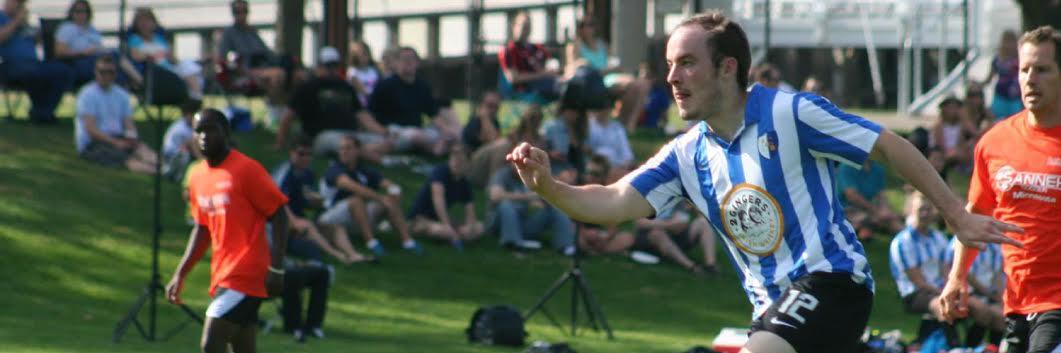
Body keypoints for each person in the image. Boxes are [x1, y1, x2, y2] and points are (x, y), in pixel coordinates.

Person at [506, 10, 1020, 353]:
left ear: (727, 68)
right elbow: (615, 201)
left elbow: (889, 144)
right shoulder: (687, 154)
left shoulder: (792, 113)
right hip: (773, 309)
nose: (672, 78)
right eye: (668, 65)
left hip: (833, 281)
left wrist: (956, 215)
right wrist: (550, 188)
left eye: (686, 63)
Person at [941, 26, 1061, 353]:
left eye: (1042, 69)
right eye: (1024, 70)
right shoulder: (995, 142)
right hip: (1017, 304)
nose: (1030, 79)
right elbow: (976, 216)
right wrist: (957, 277)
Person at [165, 108, 291, 353]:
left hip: (248, 272)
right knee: (243, 347)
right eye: (198, 131)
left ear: (226, 132)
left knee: (211, 343)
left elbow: (280, 216)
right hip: (223, 273)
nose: (203, 136)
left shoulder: (246, 169)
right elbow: (202, 229)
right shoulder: (197, 176)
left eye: (210, 129)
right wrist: (180, 274)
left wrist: (276, 268)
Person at [890, 192, 1004, 332]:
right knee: (950, 307)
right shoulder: (903, 241)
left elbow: (947, 270)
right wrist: (947, 294)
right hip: (917, 293)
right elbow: (919, 282)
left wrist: (953, 291)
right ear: (910, 210)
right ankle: (949, 344)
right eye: (921, 210)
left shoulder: (939, 238)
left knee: (985, 311)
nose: (925, 214)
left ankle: (975, 346)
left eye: (929, 209)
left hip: (940, 289)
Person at [275, 46, 390, 160]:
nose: (332, 70)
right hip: (321, 136)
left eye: (334, 65)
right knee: (344, 144)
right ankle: (377, 156)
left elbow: (362, 115)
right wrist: (280, 143)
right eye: (327, 66)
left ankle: (363, 152)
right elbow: (288, 116)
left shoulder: (347, 87)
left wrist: (382, 131)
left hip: (350, 134)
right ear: (319, 67)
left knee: (385, 141)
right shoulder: (307, 87)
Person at [273, 136, 372, 265]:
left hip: (299, 219)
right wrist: (294, 221)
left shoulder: (309, 174)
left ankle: (353, 255)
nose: (305, 158)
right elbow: (276, 201)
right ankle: (338, 256)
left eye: (309, 154)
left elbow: (307, 202)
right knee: (307, 225)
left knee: (336, 228)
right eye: (301, 154)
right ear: (291, 153)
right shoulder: (284, 172)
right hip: (278, 221)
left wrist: (316, 202)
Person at [318, 136, 421, 257]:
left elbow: (389, 185)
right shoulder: (334, 169)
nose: (343, 152)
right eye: (341, 149)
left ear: (357, 151)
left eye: (348, 148)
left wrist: (395, 191)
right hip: (332, 217)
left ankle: (408, 242)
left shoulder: (364, 170)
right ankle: (371, 242)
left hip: (357, 217)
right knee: (357, 200)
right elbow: (353, 187)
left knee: (389, 201)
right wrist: (381, 198)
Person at [368, 46, 460, 155]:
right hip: (395, 131)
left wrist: (446, 130)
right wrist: (382, 131)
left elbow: (432, 113)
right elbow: (370, 113)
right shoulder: (385, 86)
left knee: (447, 115)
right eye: (404, 60)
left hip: (419, 129)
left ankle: (449, 142)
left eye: (411, 59)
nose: (408, 63)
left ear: (417, 63)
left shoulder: (422, 86)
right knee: (415, 135)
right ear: (397, 63)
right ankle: (438, 149)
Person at [565, 17, 651, 132]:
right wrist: (600, 69)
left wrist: (611, 69)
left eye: (591, 25)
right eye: (585, 25)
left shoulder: (602, 45)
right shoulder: (575, 46)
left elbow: (613, 63)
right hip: (592, 81)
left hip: (609, 77)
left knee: (642, 85)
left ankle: (629, 123)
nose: (589, 28)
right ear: (580, 29)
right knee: (632, 84)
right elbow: (573, 68)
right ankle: (624, 124)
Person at [74, 56, 157, 174]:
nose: (107, 76)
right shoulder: (87, 95)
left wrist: (132, 137)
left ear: (115, 74)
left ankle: (165, 166)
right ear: (96, 72)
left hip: (118, 137)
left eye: (110, 72)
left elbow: (128, 123)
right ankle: (162, 172)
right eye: (102, 72)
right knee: (128, 159)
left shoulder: (121, 94)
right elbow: (91, 130)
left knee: (142, 149)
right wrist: (116, 143)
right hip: (93, 143)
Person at [0, 0, 74, 124]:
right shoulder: (2, 18)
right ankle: (41, 112)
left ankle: (44, 111)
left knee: (63, 71)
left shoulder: (26, 21)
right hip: (10, 65)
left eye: (22, 4)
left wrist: (40, 32)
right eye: (17, 2)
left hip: (34, 63)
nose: (20, 6)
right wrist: (16, 22)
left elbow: (38, 43)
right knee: (32, 73)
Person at [217, 0, 287, 122]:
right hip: (244, 73)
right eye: (237, 12)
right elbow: (224, 58)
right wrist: (242, 70)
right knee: (276, 76)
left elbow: (266, 53)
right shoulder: (229, 33)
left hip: (262, 68)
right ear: (233, 13)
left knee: (293, 75)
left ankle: (285, 114)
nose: (241, 15)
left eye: (244, 11)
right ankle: (275, 117)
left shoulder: (252, 31)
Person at [407, 144, 484, 250]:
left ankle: (454, 236)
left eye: (461, 161)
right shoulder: (440, 172)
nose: (456, 163)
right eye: (454, 159)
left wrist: (469, 227)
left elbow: (470, 211)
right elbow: (438, 200)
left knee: (480, 227)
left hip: (440, 221)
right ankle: (451, 235)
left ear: (468, 164)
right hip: (420, 219)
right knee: (441, 231)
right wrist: (447, 225)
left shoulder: (464, 182)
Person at [488, 163, 575, 255]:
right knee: (506, 205)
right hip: (501, 225)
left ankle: (565, 246)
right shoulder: (502, 174)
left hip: (523, 223)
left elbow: (544, 198)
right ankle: (513, 243)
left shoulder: (532, 176)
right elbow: (495, 196)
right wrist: (528, 197)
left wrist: (546, 199)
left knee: (555, 209)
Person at [53, 0, 140, 86]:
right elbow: (59, 52)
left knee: (117, 68)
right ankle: (140, 82)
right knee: (114, 56)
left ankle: (127, 91)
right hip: (79, 62)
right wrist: (83, 52)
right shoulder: (67, 28)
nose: (82, 14)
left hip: (97, 58)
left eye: (85, 11)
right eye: (78, 11)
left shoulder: (91, 29)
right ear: (72, 13)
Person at [127, 7, 203, 99]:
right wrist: (153, 56)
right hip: (153, 74)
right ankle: (194, 97)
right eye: (141, 21)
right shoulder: (134, 40)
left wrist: (169, 55)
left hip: (170, 70)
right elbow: (136, 56)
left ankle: (195, 97)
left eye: (148, 20)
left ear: (154, 23)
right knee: (187, 70)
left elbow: (173, 59)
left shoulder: (159, 39)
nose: (145, 24)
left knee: (188, 65)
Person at [633, 201, 719, 275]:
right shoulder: (647, 200)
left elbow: (680, 224)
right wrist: (668, 224)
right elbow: (641, 223)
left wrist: (661, 224)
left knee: (703, 222)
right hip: (649, 238)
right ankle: (692, 266)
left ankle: (710, 265)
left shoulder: (678, 200)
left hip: (674, 235)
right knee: (657, 234)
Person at [498, 11, 561, 101]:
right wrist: (541, 74)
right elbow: (514, 78)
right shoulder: (507, 50)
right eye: (522, 25)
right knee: (559, 87)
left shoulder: (537, 49)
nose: (524, 29)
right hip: (523, 90)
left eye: (528, 26)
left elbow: (552, 66)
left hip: (544, 85)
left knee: (568, 84)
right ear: (514, 26)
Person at [835, 158, 904, 240]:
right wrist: (876, 211)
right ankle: (865, 229)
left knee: (891, 220)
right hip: (847, 209)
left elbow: (881, 195)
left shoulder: (878, 169)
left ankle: (908, 239)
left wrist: (885, 209)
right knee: (866, 222)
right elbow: (852, 196)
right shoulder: (846, 167)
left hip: (868, 209)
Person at [281, 258, 331, 343]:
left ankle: (313, 326)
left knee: (322, 273)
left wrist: (296, 263)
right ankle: (294, 326)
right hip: (266, 273)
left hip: (285, 266)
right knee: (292, 276)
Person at [929, 97, 978, 179]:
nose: (953, 110)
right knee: (936, 157)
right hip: (941, 151)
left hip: (957, 153)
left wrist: (963, 118)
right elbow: (940, 145)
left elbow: (975, 133)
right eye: (950, 107)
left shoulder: (962, 125)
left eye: (956, 107)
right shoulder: (939, 125)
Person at [983, 30, 1023, 121]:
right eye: (1006, 41)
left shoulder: (1021, 58)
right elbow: (989, 79)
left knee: (1015, 120)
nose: (1008, 44)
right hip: (1000, 96)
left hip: (1016, 98)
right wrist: (978, 84)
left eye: (1011, 41)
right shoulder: (997, 59)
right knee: (998, 121)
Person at [162, 99, 205, 181]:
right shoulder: (180, 128)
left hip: (182, 153)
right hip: (171, 155)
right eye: (192, 115)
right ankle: (203, 164)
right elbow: (188, 144)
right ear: (186, 115)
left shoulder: (191, 125)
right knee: (190, 143)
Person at [346, 40, 379, 106]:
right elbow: (364, 91)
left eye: (366, 54)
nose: (364, 57)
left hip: (374, 105)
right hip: (360, 106)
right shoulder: (352, 72)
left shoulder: (373, 70)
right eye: (362, 54)